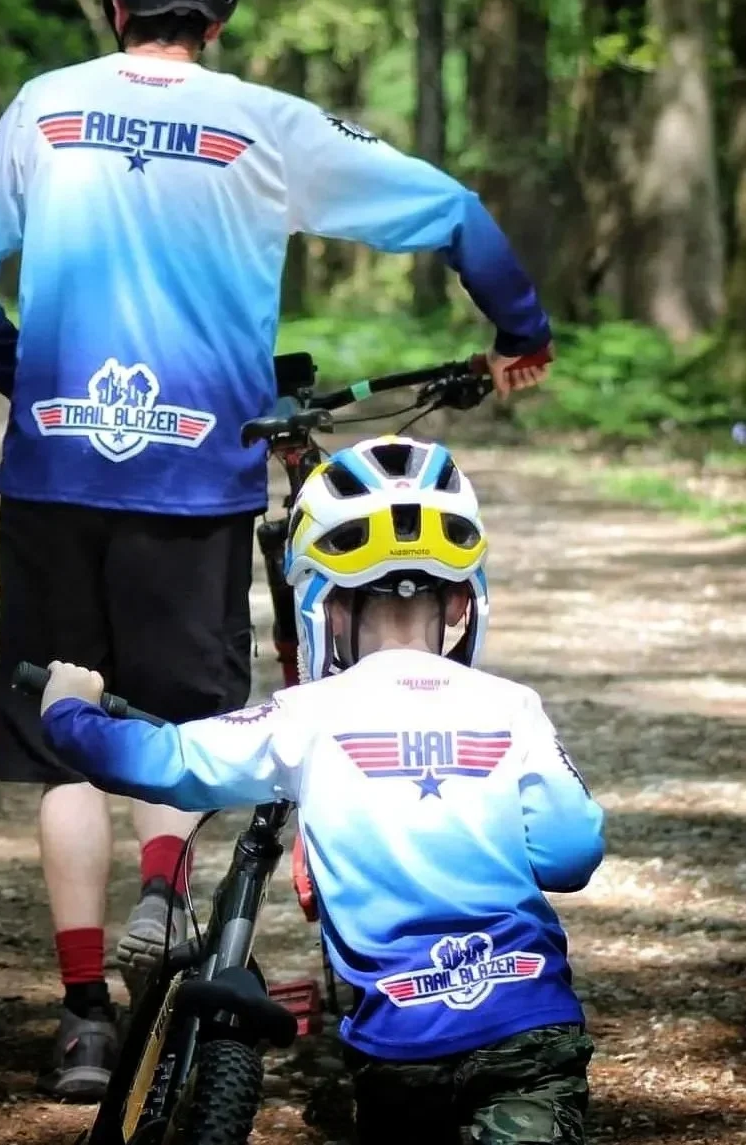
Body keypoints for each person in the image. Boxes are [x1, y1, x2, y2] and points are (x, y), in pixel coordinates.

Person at [0, 0, 554, 1102]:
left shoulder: (45, 107)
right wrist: (521, 327)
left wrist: (31, 380)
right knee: (181, 721)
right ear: (219, 17)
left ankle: (81, 1020)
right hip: (196, 476)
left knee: (63, 737)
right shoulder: (269, 126)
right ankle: (165, 901)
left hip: (54, 470)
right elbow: (458, 210)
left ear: (115, 3)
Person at [39, 435, 605, 1145]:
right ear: (461, 603)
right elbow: (570, 852)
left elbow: (167, 762)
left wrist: (69, 709)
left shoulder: (307, 716)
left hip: (400, 1040)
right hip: (530, 1027)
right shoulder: (513, 706)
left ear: (327, 609)